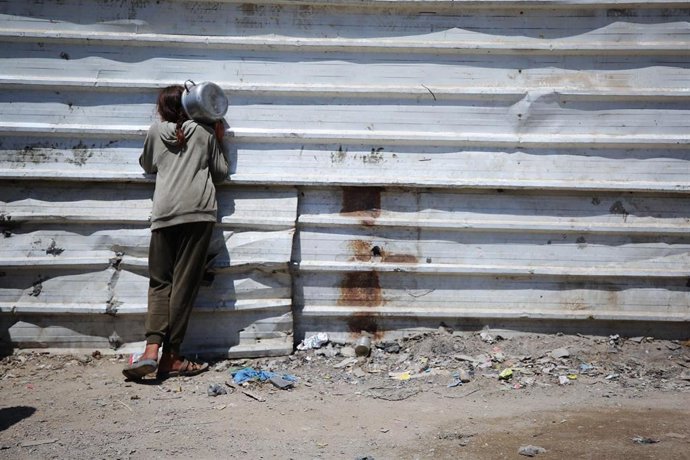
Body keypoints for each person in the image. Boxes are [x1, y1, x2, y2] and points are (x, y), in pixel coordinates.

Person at [123, 85, 229, 380]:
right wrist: (218, 141)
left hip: (165, 213)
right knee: (183, 285)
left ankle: (149, 352)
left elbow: (147, 165)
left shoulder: (155, 131)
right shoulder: (205, 131)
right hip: (198, 213)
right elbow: (220, 173)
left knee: (159, 283)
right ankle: (172, 357)